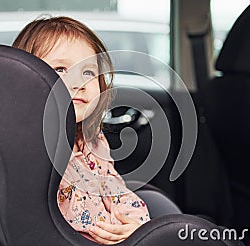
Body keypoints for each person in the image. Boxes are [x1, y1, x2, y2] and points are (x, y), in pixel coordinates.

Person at [12, 16, 150, 244]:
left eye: (88, 72)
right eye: (60, 69)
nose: (79, 82)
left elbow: (115, 191)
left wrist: (135, 226)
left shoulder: (92, 141)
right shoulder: (29, 148)